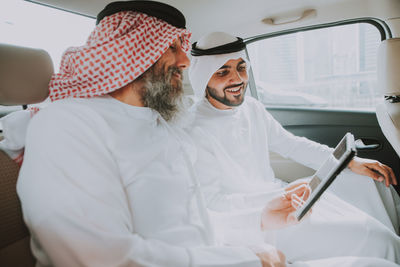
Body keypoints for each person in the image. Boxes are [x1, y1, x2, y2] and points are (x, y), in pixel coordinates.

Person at [10, 3, 399, 266]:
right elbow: (101, 257)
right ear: (129, 51)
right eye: (173, 47)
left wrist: (258, 219)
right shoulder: (67, 126)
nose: (184, 59)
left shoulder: (156, 125)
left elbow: (192, 223)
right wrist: (247, 258)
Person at [187, 31, 400, 263]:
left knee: (369, 181)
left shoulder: (252, 108)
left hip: (285, 196)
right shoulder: (192, 129)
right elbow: (213, 203)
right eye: (222, 72)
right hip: (263, 221)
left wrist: (348, 161)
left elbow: (292, 145)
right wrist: (273, 200)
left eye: (241, 67)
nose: (237, 79)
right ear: (204, 77)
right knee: (378, 240)